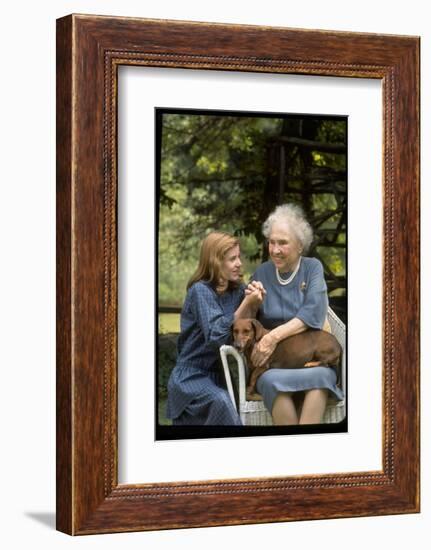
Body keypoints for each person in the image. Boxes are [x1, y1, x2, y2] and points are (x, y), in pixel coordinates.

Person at [247, 204, 344, 425]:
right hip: (274, 365)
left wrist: (272, 337)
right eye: (271, 242)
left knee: (321, 377)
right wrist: (250, 302)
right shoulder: (262, 272)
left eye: (282, 243)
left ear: (300, 246)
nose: (275, 249)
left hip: (313, 359)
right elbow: (247, 321)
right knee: (271, 381)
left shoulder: (312, 268)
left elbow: (313, 312)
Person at [166, 231, 263, 425]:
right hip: (192, 376)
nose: (239, 263)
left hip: (220, 375)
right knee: (221, 402)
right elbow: (216, 335)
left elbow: (244, 330)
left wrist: (255, 301)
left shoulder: (235, 290)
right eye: (232, 259)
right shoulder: (200, 291)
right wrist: (246, 303)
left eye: (239, 257)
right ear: (215, 262)